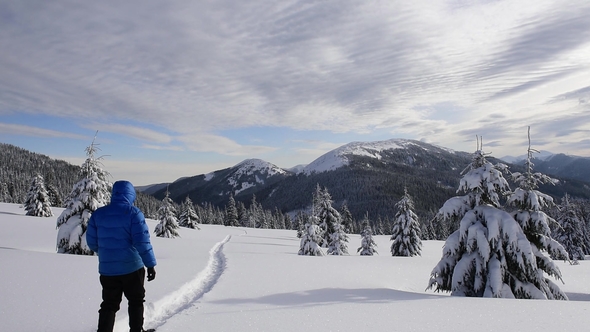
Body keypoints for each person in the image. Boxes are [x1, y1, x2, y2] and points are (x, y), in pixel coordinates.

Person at [87, 180, 157, 332]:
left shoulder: (98, 214)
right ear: (131, 195)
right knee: (136, 301)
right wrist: (150, 264)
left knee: (109, 303)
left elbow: (92, 243)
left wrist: (107, 252)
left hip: (107, 269)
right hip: (132, 268)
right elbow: (142, 242)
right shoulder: (133, 214)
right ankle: (136, 330)